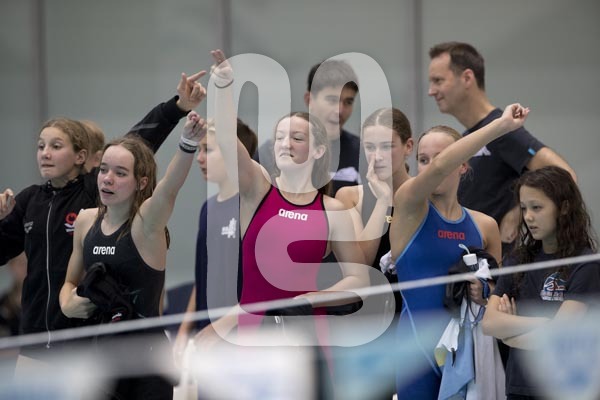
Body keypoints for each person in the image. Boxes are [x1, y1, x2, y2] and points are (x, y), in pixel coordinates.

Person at [0, 70, 206, 364]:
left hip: (82, 337)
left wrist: (177, 107)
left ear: (81, 156)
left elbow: (137, 141)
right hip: (33, 338)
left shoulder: (93, 189)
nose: (45, 153)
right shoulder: (28, 200)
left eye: (56, 146)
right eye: (41, 146)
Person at [196, 48, 368, 348]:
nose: (285, 144)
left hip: (307, 335)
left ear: (318, 151)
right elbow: (226, 139)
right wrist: (223, 87)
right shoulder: (258, 190)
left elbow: (359, 281)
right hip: (253, 335)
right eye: (279, 138)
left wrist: (311, 299)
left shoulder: (332, 209)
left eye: (297, 138)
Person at [59, 110, 207, 399]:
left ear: (141, 182)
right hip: (100, 359)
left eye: (120, 173)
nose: (107, 179)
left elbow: (169, 188)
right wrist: (66, 303)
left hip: (146, 361)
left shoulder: (147, 224)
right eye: (103, 170)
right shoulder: (86, 221)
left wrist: (188, 143)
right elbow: (69, 282)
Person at [389, 103, 530, 398]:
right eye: (422, 160)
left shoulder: (485, 226)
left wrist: (485, 291)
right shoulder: (409, 206)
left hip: (468, 353)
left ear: (463, 165)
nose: (430, 166)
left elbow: (497, 294)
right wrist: (501, 126)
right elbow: (440, 168)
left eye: (441, 156)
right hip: (416, 356)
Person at [427, 41, 575, 255]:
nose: (431, 91)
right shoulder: (470, 138)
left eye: (438, 81)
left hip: (501, 263)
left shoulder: (502, 131)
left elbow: (564, 175)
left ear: (467, 78)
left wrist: (518, 212)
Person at [482, 166, 600, 399]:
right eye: (524, 208)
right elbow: (489, 323)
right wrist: (543, 322)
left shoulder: (585, 264)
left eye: (537, 207)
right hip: (519, 387)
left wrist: (510, 336)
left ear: (564, 208)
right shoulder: (518, 260)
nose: (528, 217)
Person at [334, 107, 413, 399]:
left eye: (386, 146)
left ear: (408, 147)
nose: (377, 156)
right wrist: (381, 203)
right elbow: (362, 267)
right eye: (369, 147)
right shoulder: (350, 197)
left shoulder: (424, 197)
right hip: (366, 324)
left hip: (414, 322)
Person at [173, 117, 258, 360]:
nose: (199, 158)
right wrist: (184, 330)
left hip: (242, 339)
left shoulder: (253, 209)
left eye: (207, 150)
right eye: (198, 150)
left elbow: (261, 286)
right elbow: (203, 276)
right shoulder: (207, 209)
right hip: (207, 337)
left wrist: (221, 327)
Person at [254, 58, 361, 196]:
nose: (340, 110)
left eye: (348, 102)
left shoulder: (363, 153)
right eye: (332, 100)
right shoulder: (273, 152)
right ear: (309, 100)